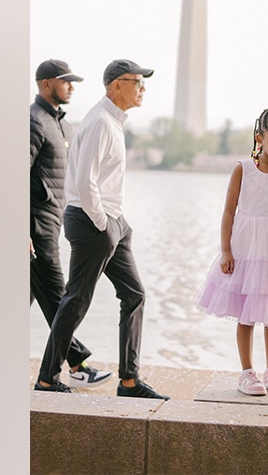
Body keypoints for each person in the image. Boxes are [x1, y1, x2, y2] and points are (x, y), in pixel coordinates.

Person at [34, 59, 169, 399]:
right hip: (93, 220)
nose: (142, 89)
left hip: (112, 221)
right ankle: (48, 379)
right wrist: (102, 224)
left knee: (134, 294)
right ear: (115, 85)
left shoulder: (112, 122)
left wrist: (115, 225)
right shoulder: (99, 123)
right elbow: (84, 180)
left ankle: (129, 382)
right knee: (76, 300)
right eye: (136, 82)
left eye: (143, 83)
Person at [195, 102, 268, 396]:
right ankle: (247, 372)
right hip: (246, 251)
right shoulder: (243, 169)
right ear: (260, 138)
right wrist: (225, 251)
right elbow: (229, 213)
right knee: (246, 313)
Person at [29, 59, 113, 389]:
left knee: (42, 295)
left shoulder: (58, 123)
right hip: (36, 227)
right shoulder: (34, 121)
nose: (72, 86)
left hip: (49, 222)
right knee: (57, 294)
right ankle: (78, 363)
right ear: (46, 83)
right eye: (66, 81)